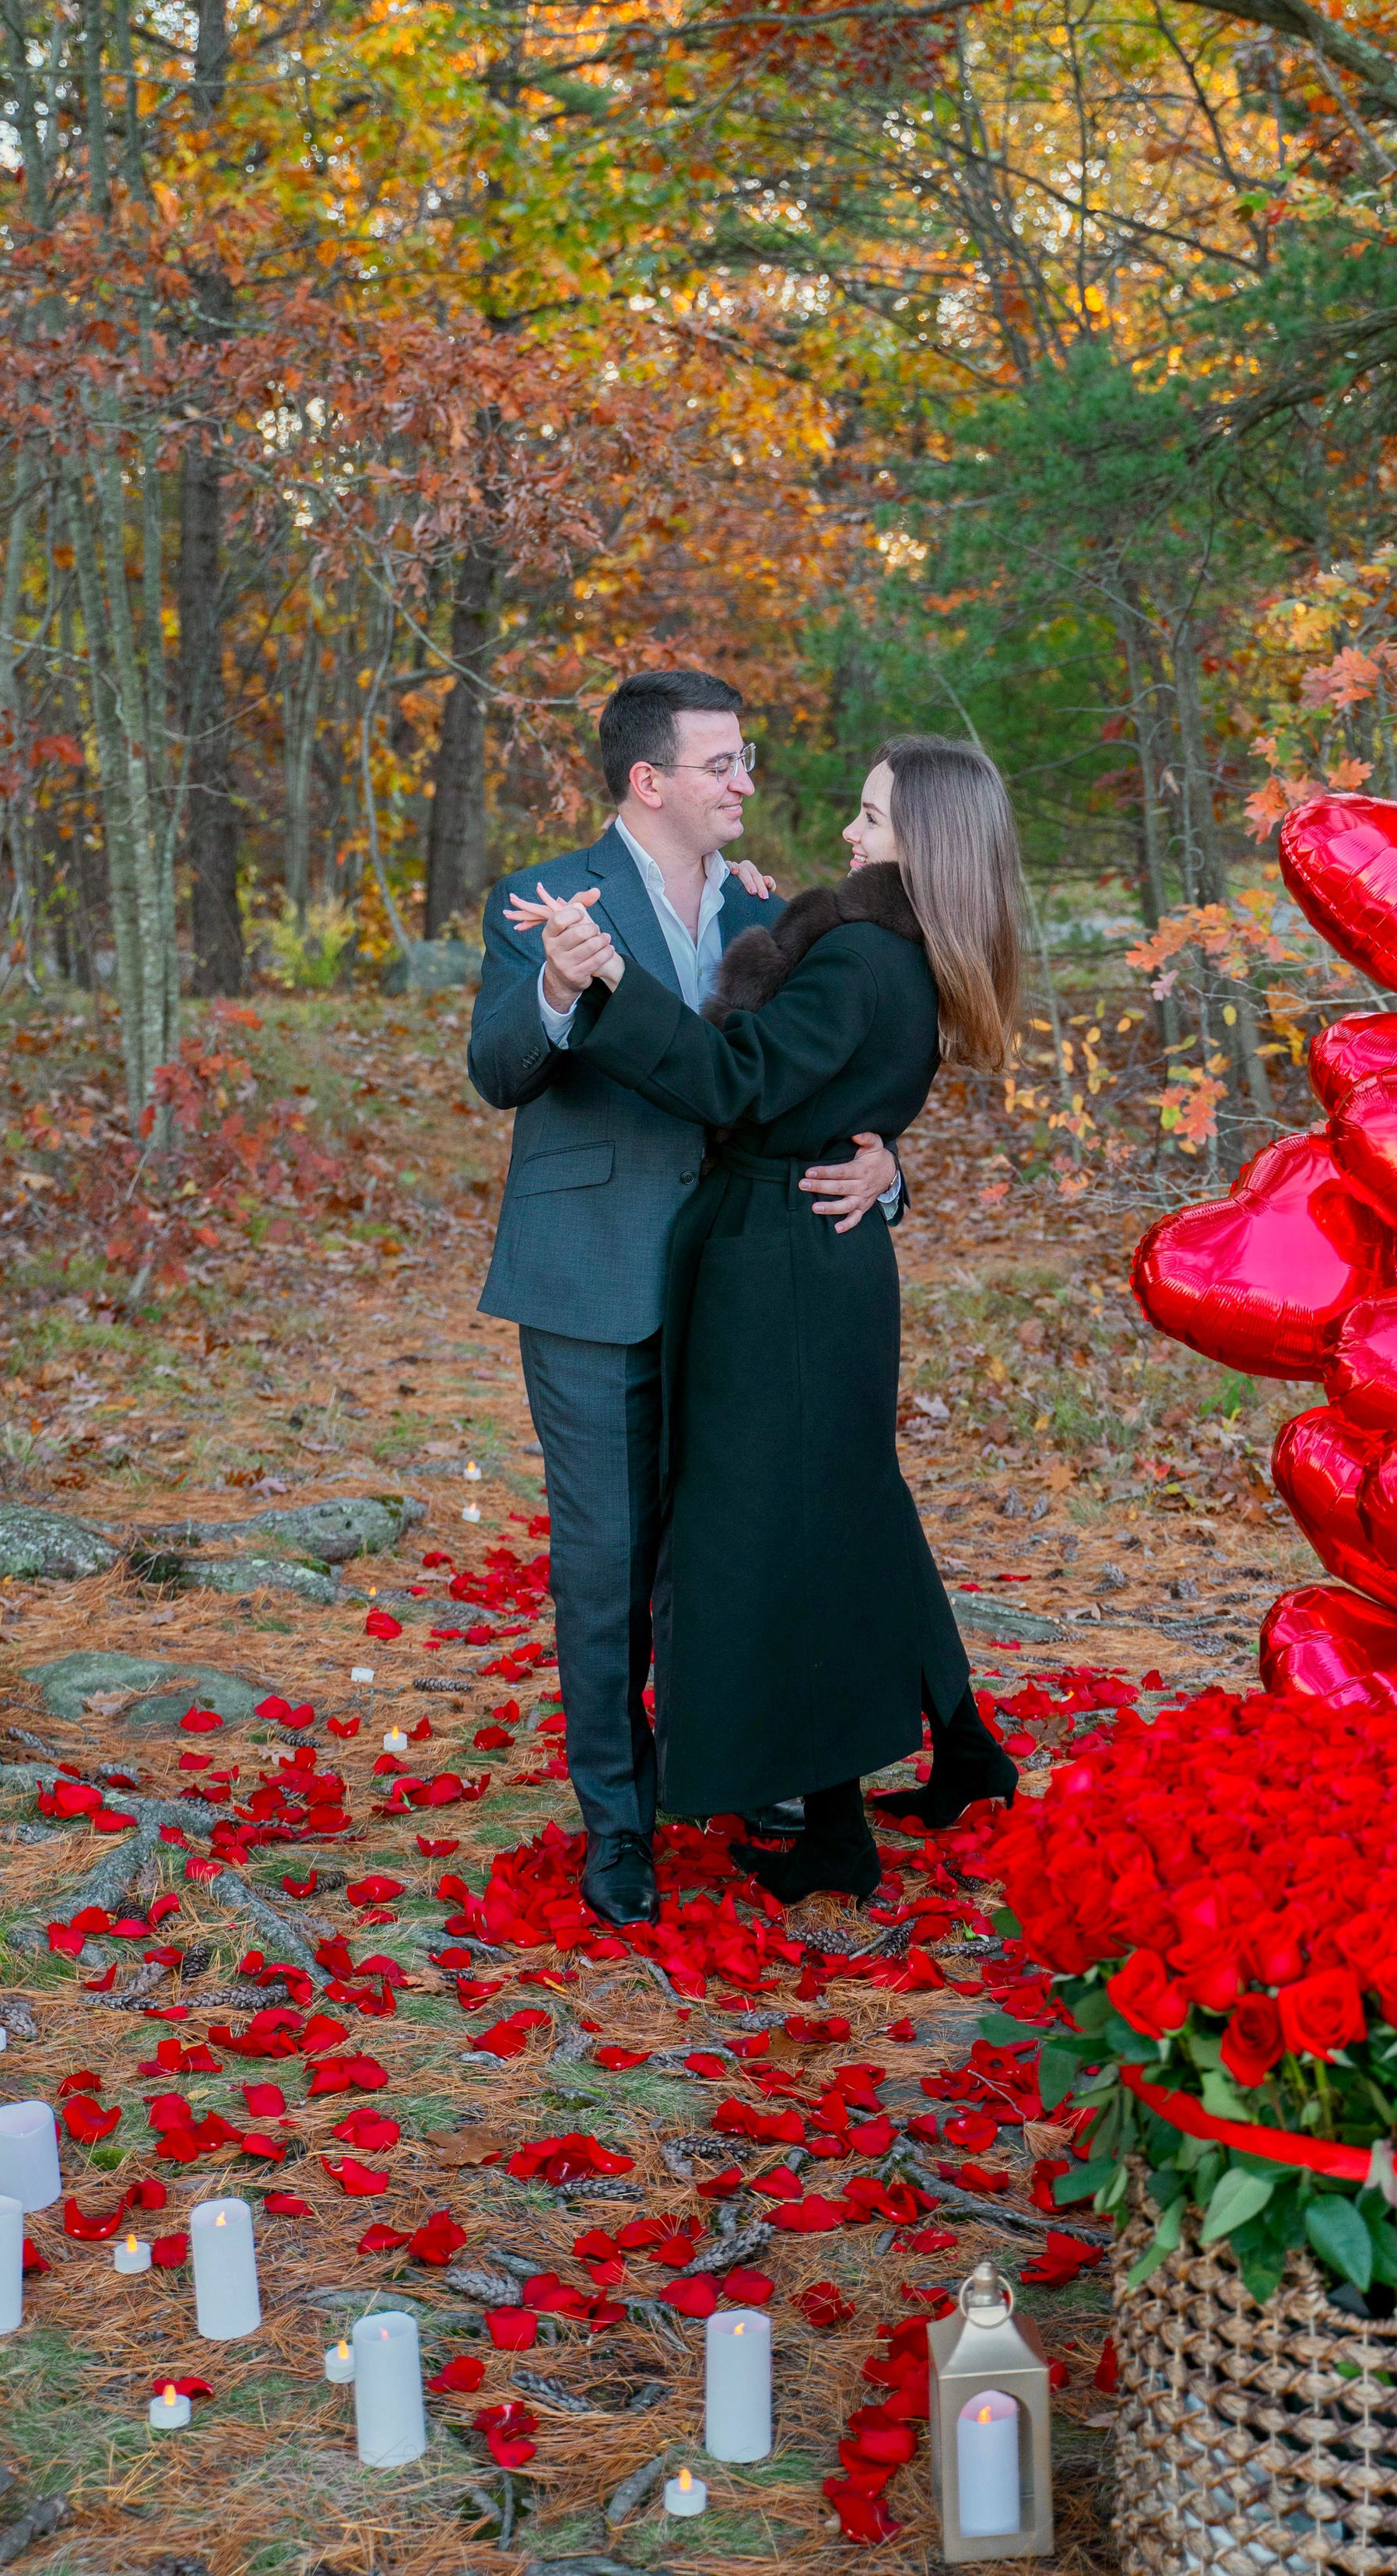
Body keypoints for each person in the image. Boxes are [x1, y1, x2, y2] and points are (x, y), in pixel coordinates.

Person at [516, 734, 1026, 1905]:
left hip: (782, 1262)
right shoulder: (902, 952)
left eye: (872, 819)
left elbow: (736, 1081)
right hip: (816, 1257)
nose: (850, 835)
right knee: (849, 1510)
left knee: (786, 1533)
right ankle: (963, 1747)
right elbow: (837, 1087)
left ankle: (838, 1827)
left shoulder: (856, 956)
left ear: (925, 845)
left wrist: (611, 983)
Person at [468, 669, 903, 1930]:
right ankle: (619, 1822)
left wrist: (885, 1161)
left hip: (746, 1284)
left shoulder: (778, 910)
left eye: (748, 758)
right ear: (648, 779)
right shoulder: (546, 900)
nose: (747, 782)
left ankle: (750, 1769)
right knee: (608, 1565)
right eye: (724, 762)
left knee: (736, 1543)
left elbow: (828, 1069)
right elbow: (497, 1069)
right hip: (591, 1276)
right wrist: (556, 986)